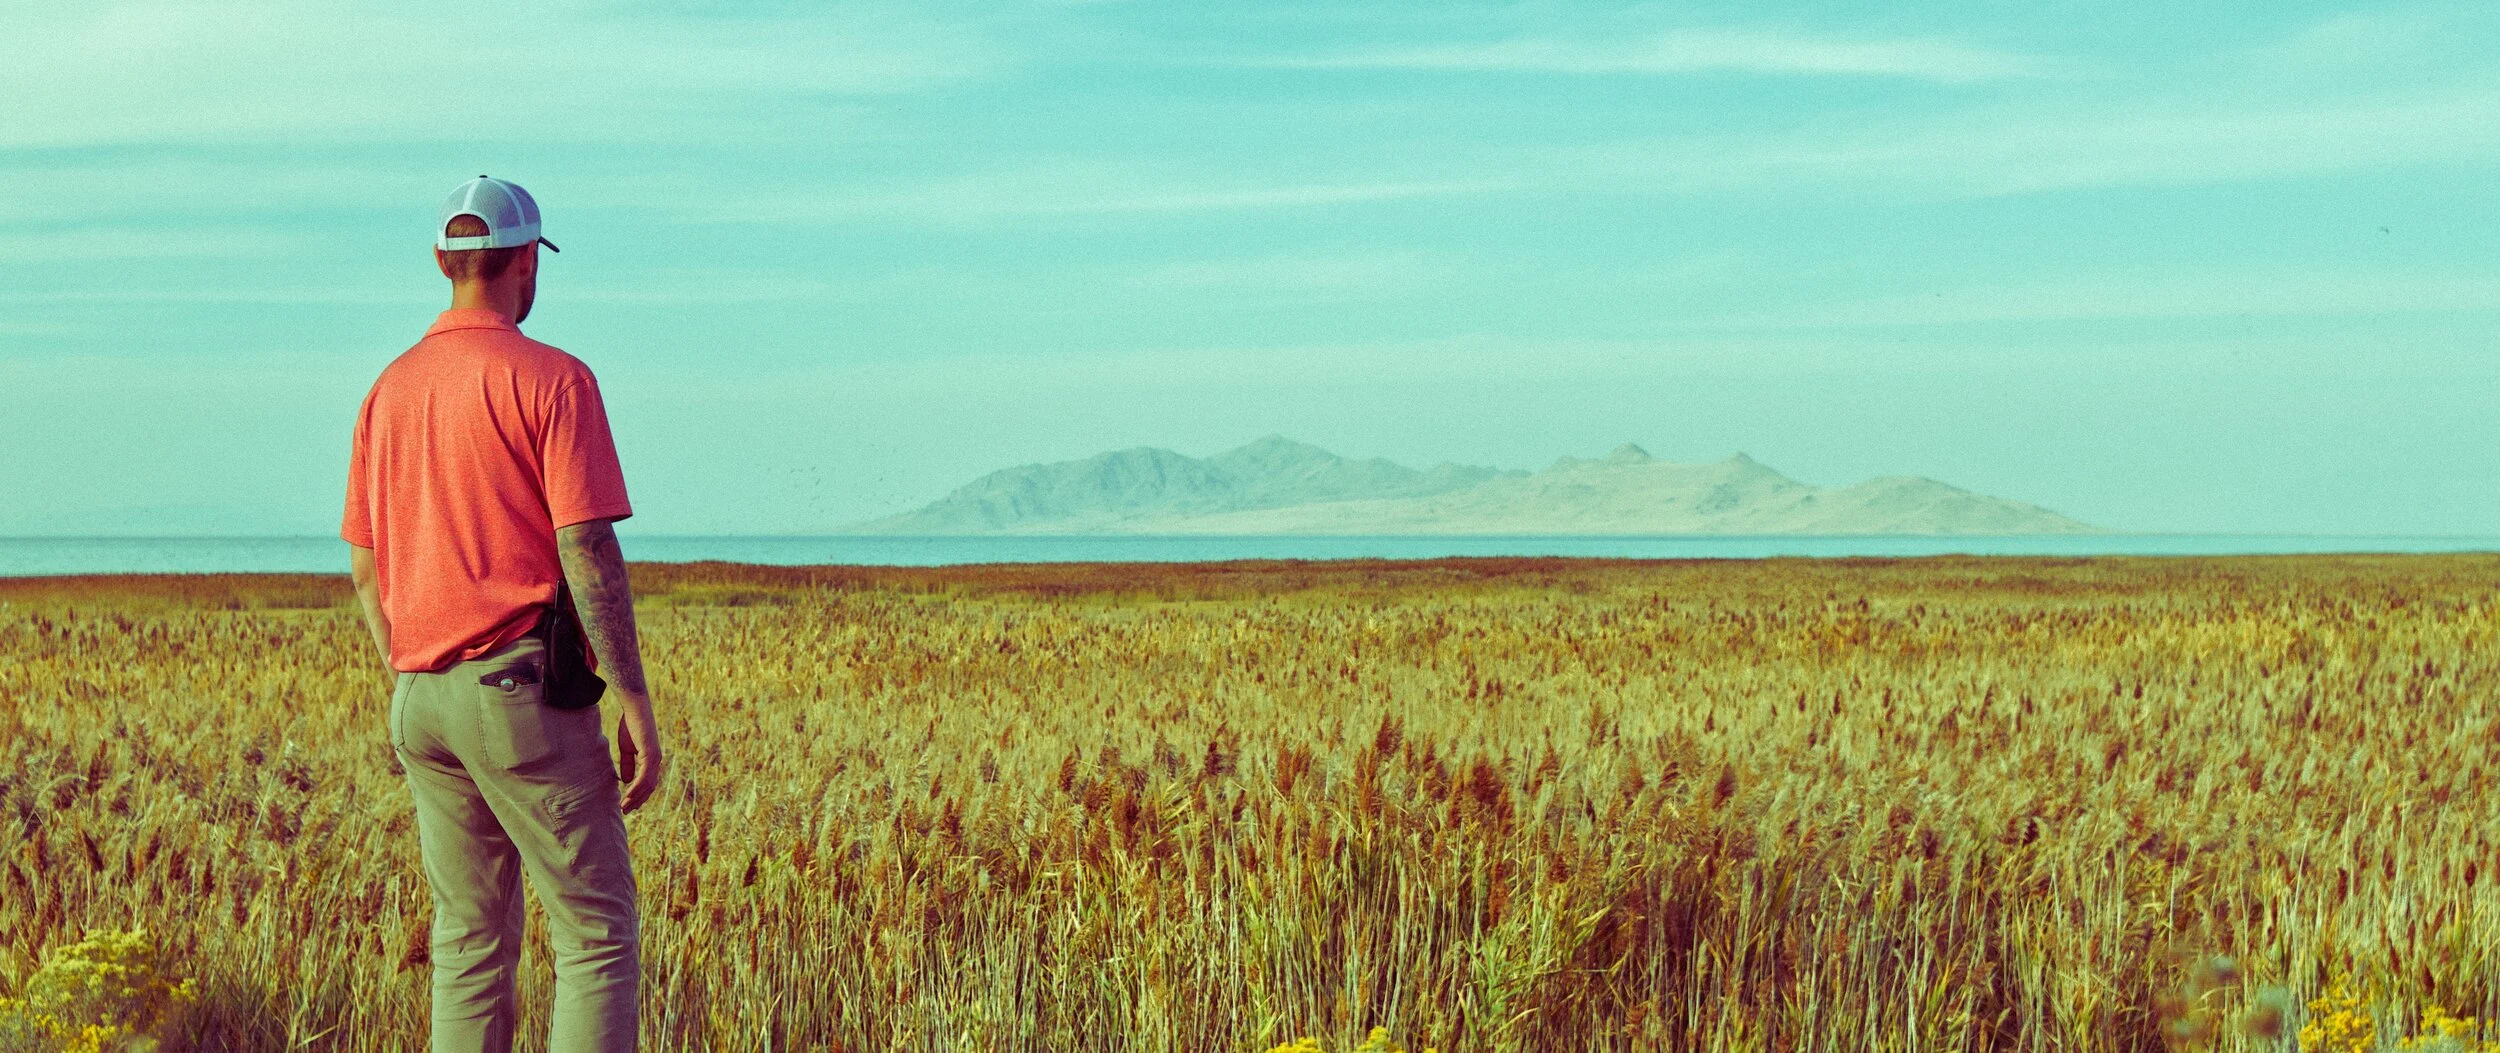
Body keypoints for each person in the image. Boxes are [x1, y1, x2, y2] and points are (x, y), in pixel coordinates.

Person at [341, 175, 662, 1052]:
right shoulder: (554, 379)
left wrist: (415, 669)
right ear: (525, 262)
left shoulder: (388, 390)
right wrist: (631, 694)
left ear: (446, 263)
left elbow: (366, 570)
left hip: (420, 696)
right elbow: (587, 546)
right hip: (518, 694)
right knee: (595, 935)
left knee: (469, 943)